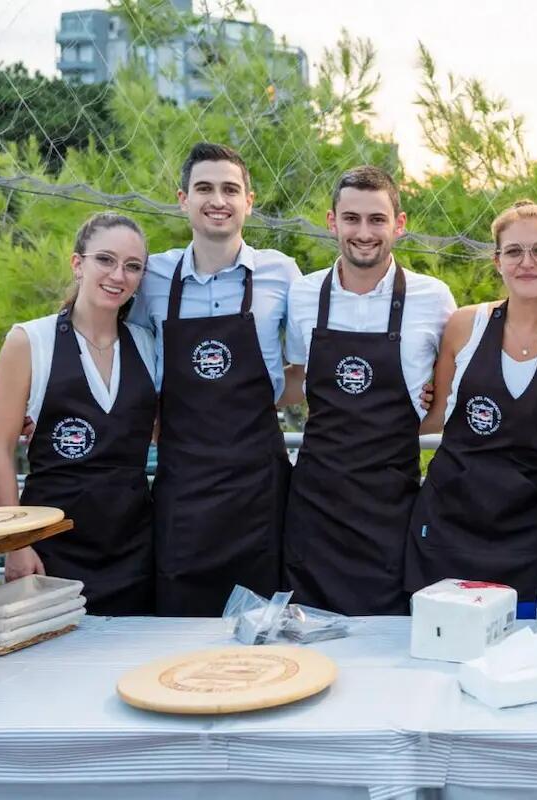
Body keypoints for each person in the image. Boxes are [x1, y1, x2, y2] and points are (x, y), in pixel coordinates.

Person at [130, 143, 300, 617]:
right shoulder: (152, 276)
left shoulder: (281, 274)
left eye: (230, 189)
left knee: (262, 623)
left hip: (258, 483)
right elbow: (114, 348)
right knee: (179, 617)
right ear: (182, 199)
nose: (217, 200)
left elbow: (309, 369)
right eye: (204, 188)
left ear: (249, 200)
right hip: (184, 484)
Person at [281, 166, 455, 615]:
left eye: (376, 219)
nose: (364, 232)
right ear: (331, 221)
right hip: (315, 506)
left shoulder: (432, 298)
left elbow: (451, 388)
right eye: (351, 218)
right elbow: (296, 379)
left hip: (391, 504)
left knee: (387, 637)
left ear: (399, 224)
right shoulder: (302, 294)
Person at [404, 201, 537, 604]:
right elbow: (434, 419)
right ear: (497, 261)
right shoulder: (466, 325)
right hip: (449, 525)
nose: (527, 262)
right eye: (514, 251)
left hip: (529, 532)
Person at [0, 212, 158, 615]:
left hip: (135, 547)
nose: (118, 275)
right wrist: (16, 544)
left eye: (133, 267)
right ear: (78, 263)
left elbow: (163, 430)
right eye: (106, 260)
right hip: (51, 547)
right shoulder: (30, 341)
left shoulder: (149, 345)